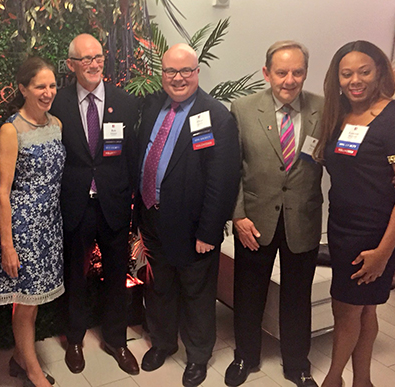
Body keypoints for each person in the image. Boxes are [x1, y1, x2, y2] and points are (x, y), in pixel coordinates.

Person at [136, 43, 240, 387]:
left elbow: (222, 181)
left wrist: (209, 233)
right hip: (153, 218)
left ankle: (197, 356)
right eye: (170, 71)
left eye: (185, 71)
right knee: (159, 286)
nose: (177, 78)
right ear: (161, 73)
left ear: (197, 72)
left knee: (196, 294)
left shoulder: (217, 116)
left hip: (194, 227)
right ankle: (163, 342)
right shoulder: (152, 105)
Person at [225, 40, 323, 387]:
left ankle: (297, 364)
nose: (290, 79)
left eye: (297, 71)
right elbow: (232, 167)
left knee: (298, 296)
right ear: (267, 73)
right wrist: (237, 215)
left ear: (306, 73)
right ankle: (245, 357)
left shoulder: (323, 109)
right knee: (249, 294)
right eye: (282, 72)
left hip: (303, 219)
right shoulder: (243, 108)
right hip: (255, 219)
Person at [50, 33, 140, 375]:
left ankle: (116, 340)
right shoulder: (56, 103)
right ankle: (74, 338)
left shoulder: (126, 102)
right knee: (74, 273)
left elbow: (132, 157)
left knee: (117, 274)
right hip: (74, 204)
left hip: (113, 203)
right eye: (85, 59)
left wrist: (129, 197)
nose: (93, 65)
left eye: (98, 58)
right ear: (71, 64)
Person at [314, 40, 395, 387]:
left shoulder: (392, 117)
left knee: (346, 311)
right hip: (342, 228)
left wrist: (384, 252)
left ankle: (334, 379)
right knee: (365, 309)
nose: (355, 80)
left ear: (379, 71)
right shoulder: (339, 114)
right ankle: (363, 379)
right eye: (346, 74)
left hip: (376, 235)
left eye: (364, 71)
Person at [0, 57, 64, 387]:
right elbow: (3, 193)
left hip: (50, 224)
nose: (47, 92)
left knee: (33, 302)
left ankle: (20, 356)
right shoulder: (10, 130)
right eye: (39, 86)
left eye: (51, 86)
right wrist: (7, 244)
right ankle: (33, 371)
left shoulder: (57, 124)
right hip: (23, 228)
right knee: (25, 302)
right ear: (23, 88)